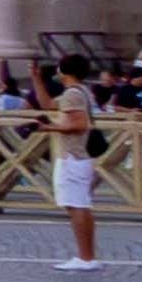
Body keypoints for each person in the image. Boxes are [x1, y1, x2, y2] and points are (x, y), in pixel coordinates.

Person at [42, 67, 107, 271]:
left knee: (76, 205)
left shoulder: (72, 94)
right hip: (79, 156)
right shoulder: (82, 91)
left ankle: (86, 258)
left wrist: (49, 128)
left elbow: (79, 125)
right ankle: (87, 256)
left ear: (63, 71)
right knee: (80, 204)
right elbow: (48, 105)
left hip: (73, 155)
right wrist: (36, 79)